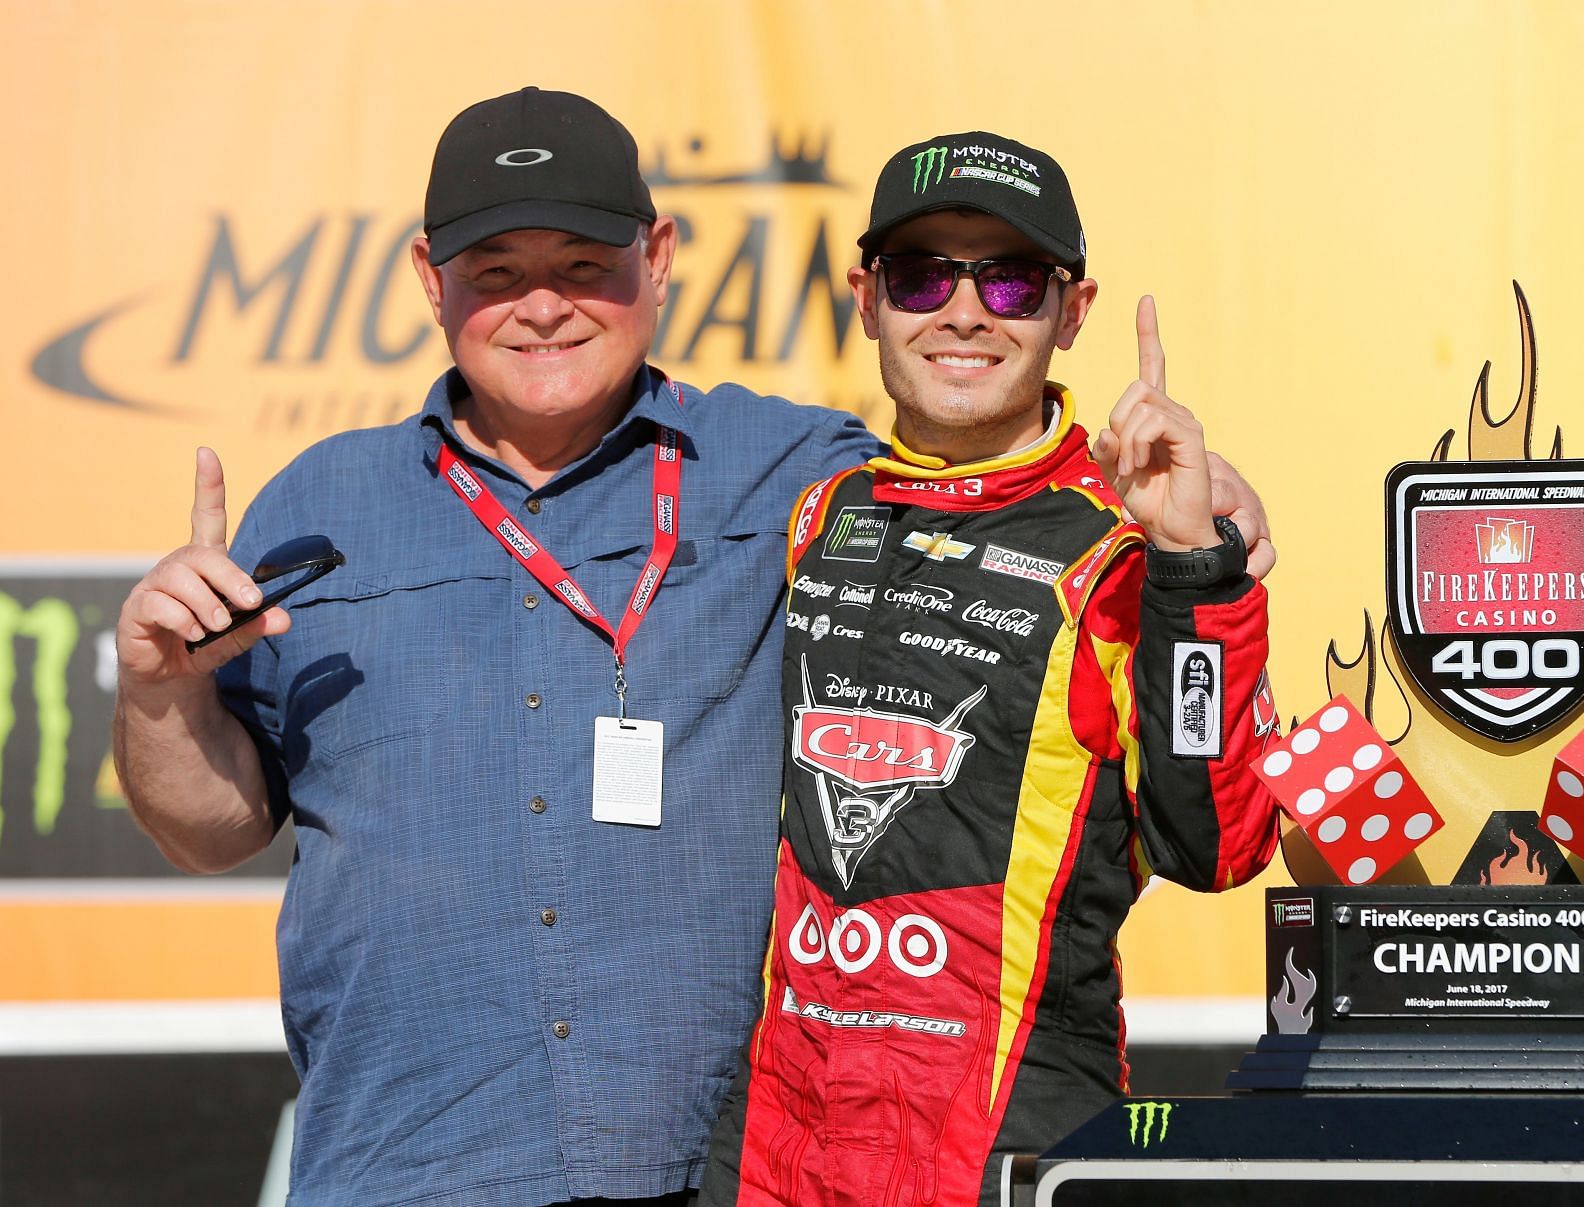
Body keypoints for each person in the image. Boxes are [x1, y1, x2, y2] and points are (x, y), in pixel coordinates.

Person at [114, 94, 1273, 1205]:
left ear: (657, 257)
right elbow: (213, 829)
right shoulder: (318, 507)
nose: (544, 306)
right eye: (497, 272)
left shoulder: (799, 472)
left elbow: (994, 472)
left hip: (708, 1164)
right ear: (429, 277)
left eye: (582, 266)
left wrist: (1202, 535)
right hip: (403, 1162)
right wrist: (161, 695)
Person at [699, 132, 1280, 1207]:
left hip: (1003, 1137)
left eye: (1009, 279)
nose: (965, 313)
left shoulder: (1134, 540)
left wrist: (1200, 572)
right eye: (925, 275)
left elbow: (1223, 843)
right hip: (782, 1142)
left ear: (1073, 309)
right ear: (868, 299)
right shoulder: (816, 513)